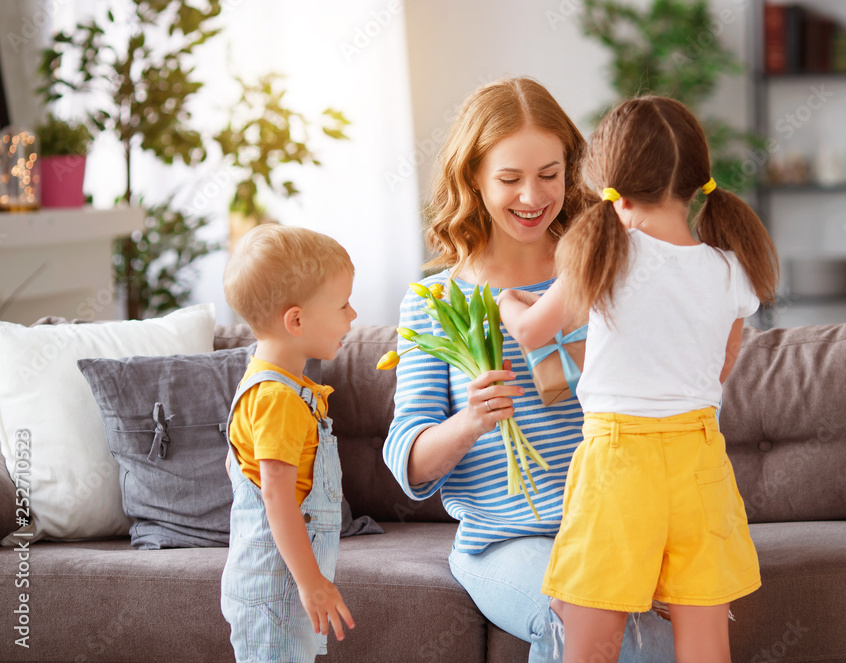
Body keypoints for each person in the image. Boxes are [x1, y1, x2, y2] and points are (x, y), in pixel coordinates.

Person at [383, 77, 677, 662]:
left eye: (549, 174)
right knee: (586, 623)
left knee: (661, 638)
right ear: (472, 178)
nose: (532, 197)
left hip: (608, 527)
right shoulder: (436, 301)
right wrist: (471, 419)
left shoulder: (600, 274)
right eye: (510, 179)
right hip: (504, 542)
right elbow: (407, 464)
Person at [497, 95, 779, 663]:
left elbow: (529, 332)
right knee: (704, 644)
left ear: (615, 187)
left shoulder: (606, 256)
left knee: (592, 643)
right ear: (697, 182)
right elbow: (720, 367)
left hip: (619, 465)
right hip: (700, 460)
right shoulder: (730, 269)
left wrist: (508, 299)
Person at [221, 224, 358, 663]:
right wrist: (311, 582)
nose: (353, 315)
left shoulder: (280, 384)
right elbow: (276, 499)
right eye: (342, 305)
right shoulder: (278, 399)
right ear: (295, 320)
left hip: (278, 588)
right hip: (275, 591)